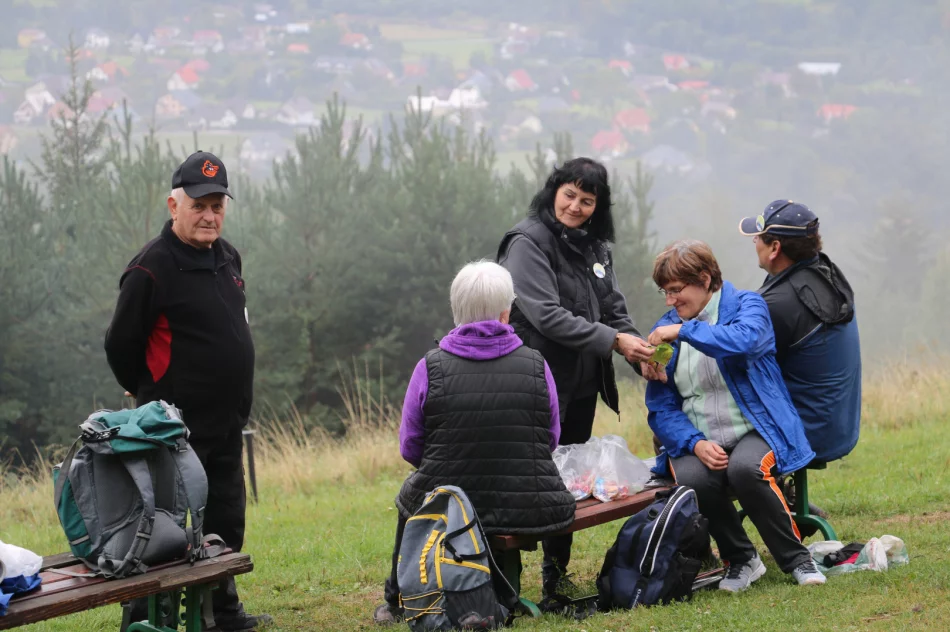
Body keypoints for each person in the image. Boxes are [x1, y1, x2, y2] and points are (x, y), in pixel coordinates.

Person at [104, 151, 272, 631]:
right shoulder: (150, 268)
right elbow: (120, 346)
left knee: (225, 517)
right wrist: (151, 397)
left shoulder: (228, 256)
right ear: (173, 205)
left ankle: (222, 611)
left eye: (218, 204)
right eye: (199, 204)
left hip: (226, 422)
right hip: (173, 429)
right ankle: (145, 615)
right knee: (162, 527)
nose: (210, 214)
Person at [373, 261, 576, 625]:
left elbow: (410, 447)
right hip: (525, 502)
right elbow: (550, 440)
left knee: (409, 501)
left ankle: (396, 600)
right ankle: (553, 583)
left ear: (456, 312)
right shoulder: (535, 364)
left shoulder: (429, 367)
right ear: (505, 313)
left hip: (447, 503)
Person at [496, 158, 654, 603]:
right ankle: (504, 581)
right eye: (569, 195)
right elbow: (546, 317)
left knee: (570, 476)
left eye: (587, 200)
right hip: (538, 380)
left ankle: (555, 573)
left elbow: (614, 309)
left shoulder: (596, 247)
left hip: (583, 385)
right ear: (553, 191)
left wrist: (640, 353)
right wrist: (614, 341)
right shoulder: (528, 242)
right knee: (535, 475)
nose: (575, 206)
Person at [644, 239, 826, 592]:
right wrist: (694, 443)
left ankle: (798, 559)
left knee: (746, 468)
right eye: (664, 292)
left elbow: (741, 342)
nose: (670, 301)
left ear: (705, 278)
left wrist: (684, 331)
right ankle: (742, 560)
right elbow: (661, 407)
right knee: (693, 476)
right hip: (703, 436)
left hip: (758, 428)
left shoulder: (748, 306)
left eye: (677, 290)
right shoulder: (667, 329)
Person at [739, 200, 861, 463]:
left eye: (759, 236)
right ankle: (783, 494)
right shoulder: (824, 273)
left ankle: (747, 497)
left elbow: (734, 358)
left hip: (808, 432)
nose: (754, 242)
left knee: (705, 413)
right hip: (839, 424)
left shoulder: (778, 304)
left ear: (774, 248)